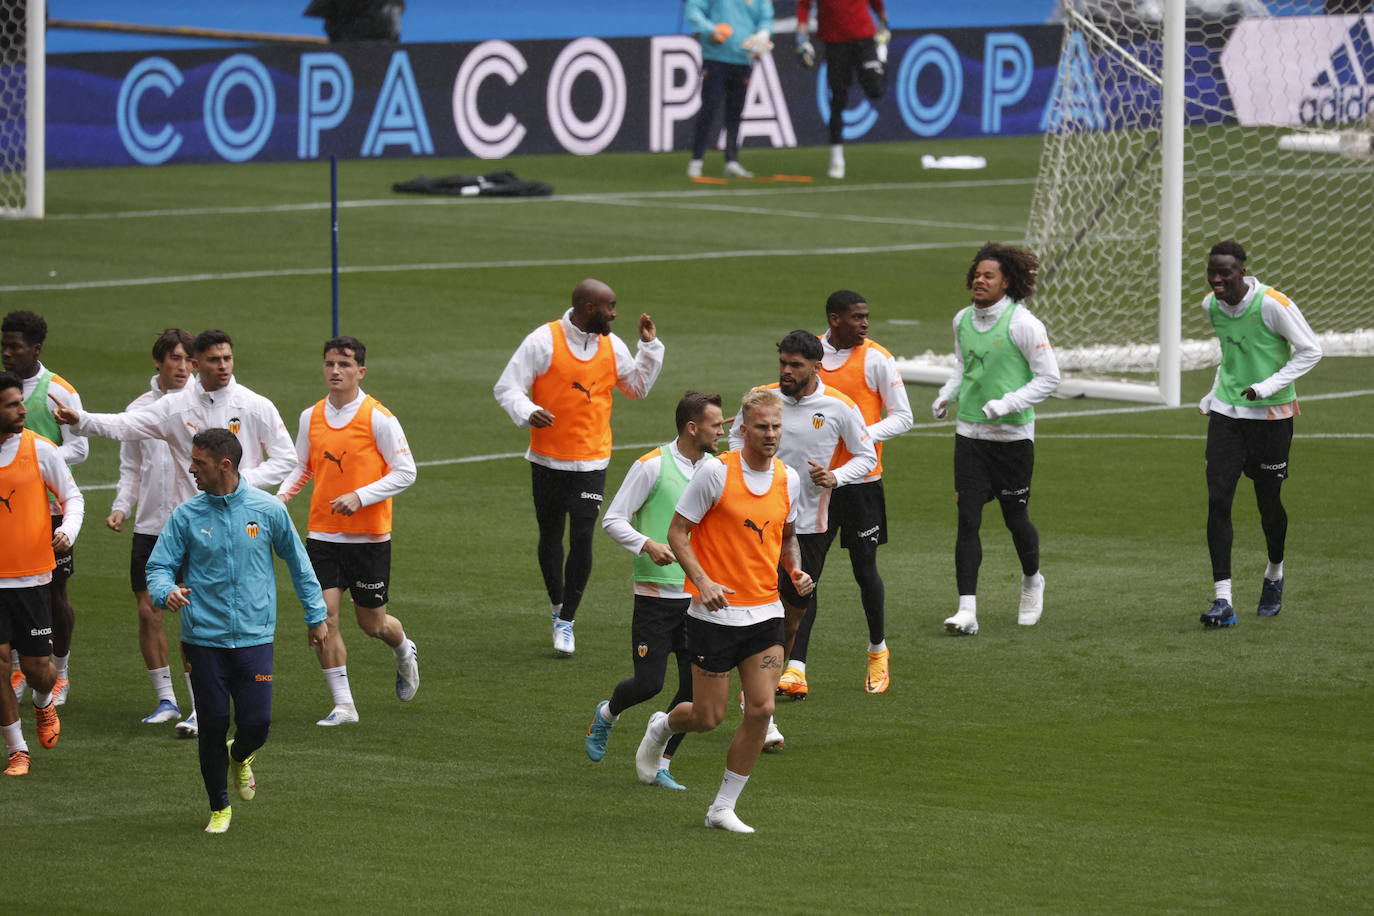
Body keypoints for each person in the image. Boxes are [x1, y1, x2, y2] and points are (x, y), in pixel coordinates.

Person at [52, 328, 296, 735]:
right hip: (192, 526)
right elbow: (126, 425)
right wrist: (83, 420)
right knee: (191, 617)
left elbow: (286, 458)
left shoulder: (255, 405)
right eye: (214, 360)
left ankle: (238, 695)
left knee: (235, 612)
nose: (223, 366)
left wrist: (240, 482)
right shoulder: (174, 407)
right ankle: (199, 704)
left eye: (228, 359)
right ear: (197, 364)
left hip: (241, 524)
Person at [635, 389, 811, 833]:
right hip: (713, 616)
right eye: (762, 427)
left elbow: (788, 535)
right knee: (707, 717)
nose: (771, 435)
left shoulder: (788, 478)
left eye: (776, 427)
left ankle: (722, 808)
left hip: (765, 613)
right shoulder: (716, 473)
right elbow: (678, 533)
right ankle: (661, 726)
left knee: (761, 708)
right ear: (743, 429)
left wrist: (795, 569)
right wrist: (704, 580)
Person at [146, 429, 328, 834]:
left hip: (254, 636)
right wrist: (166, 592)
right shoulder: (187, 516)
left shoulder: (267, 510)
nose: (191, 469)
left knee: (257, 724)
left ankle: (241, 755)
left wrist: (316, 616)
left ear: (224, 465)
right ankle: (219, 807)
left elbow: (299, 564)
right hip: (202, 639)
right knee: (211, 722)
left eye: (199, 463)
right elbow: (158, 568)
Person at [493, 279, 664, 657]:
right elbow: (507, 388)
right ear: (589, 308)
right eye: (610, 307)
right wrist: (527, 411)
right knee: (551, 536)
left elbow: (637, 388)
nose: (615, 314)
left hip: (591, 460)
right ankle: (557, 608)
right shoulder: (542, 341)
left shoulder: (612, 345)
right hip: (547, 459)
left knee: (583, 536)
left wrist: (649, 348)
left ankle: (568, 621)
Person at [729, 330, 874, 724]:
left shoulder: (839, 407)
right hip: (756, 522)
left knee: (792, 614)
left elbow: (865, 455)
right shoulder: (762, 398)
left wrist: (837, 477)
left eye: (796, 365)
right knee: (761, 608)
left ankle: (778, 676)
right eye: (783, 363)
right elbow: (732, 439)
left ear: (816, 366)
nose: (787, 372)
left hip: (809, 525)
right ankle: (759, 704)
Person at [586, 391, 725, 789]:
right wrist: (647, 544)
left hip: (697, 597)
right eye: (716, 424)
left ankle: (661, 761)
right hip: (655, 596)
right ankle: (607, 714)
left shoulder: (715, 469)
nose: (722, 430)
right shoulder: (651, 466)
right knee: (649, 683)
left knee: (695, 691)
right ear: (692, 427)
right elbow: (612, 519)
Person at [278, 336, 419, 725]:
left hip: (369, 538)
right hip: (323, 535)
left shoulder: (378, 417)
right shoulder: (311, 416)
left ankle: (404, 648)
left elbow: (406, 472)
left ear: (361, 371)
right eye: (329, 364)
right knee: (325, 616)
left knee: (373, 624)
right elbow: (302, 465)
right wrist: (281, 498)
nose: (335, 371)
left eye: (344, 364)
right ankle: (344, 705)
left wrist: (360, 496)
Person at [932, 242, 1061, 636]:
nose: (979, 280)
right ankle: (966, 610)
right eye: (977, 273)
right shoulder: (962, 320)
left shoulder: (1024, 324)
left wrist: (1006, 404)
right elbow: (963, 366)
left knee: (1014, 517)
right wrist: (946, 394)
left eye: (989, 275)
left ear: (1007, 281)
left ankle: (1032, 580)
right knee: (968, 519)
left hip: (1013, 438)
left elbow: (1050, 379)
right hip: (970, 434)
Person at [1196, 240, 1322, 627]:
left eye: (1225, 273)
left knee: (1268, 502)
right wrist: (1215, 391)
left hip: (1271, 417)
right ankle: (1223, 600)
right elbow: (1230, 353)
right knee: (1219, 500)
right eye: (1212, 272)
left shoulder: (1272, 304)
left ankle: (1274, 574)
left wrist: (1266, 387)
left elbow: (1310, 350)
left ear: (1242, 271)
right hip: (1227, 414)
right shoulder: (1211, 306)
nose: (1217, 280)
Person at [816, 290, 912, 693]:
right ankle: (794, 668)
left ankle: (877, 651)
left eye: (867, 316)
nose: (865, 323)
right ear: (835, 319)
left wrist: (858, 435)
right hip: (816, 482)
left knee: (864, 570)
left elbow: (904, 417)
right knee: (804, 574)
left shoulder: (876, 358)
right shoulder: (810, 354)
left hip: (861, 482)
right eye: (857, 317)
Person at [106, 328, 199, 730]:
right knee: (149, 612)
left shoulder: (202, 405)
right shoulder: (139, 408)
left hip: (195, 524)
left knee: (198, 618)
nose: (182, 367)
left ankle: (201, 703)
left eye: (187, 360)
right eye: (175, 359)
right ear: (158, 362)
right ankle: (166, 700)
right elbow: (131, 469)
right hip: (150, 527)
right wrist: (121, 507)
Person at [3, 310, 87, 710]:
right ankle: (21, 669)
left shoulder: (59, 390)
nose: (7, 353)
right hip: (14, 509)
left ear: (35, 349)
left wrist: (37, 464)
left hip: (51, 511)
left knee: (53, 594)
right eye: (4, 345)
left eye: (14, 347)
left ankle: (61, 671)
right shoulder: (4, 390)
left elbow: (80, 449)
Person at [0, 371, 82, 776]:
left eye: (20, 402)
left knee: (37, 671)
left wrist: (66, 530)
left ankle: (43, 703)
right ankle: (18, 750)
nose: (22, 410)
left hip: (31, 577)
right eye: (12, 405)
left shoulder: (40, 449)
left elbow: (73, 497)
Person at [795, 0, 890, 179]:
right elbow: (804, 5)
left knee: (875, 89)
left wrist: (884, 21)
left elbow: (876, 2)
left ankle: (882, 55)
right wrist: (801, 39)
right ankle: (837, 158)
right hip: (834, 42)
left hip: (863, 37)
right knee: (838, 98)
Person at [683, 0, 775, 180]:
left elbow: (765, 17)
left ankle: (732, 161)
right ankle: (696, 160)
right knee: (710, 107)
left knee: (735, 112)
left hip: (743, 59)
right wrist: (711, 30)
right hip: (716, 58)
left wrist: (762, 37)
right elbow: (693, 10)